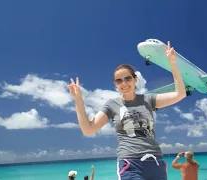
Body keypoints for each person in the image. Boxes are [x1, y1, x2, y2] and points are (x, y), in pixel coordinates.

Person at [68, 41, 186, 180]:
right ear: (115, 84)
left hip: (155, 162)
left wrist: (173, 64)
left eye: (128, 78)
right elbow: (88, 129)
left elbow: (180, 94)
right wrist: (78, 100)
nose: (124, 83)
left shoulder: (148, 100)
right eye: (119, 81)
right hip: (130, 163)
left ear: (135, 79)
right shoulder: (112, 105)